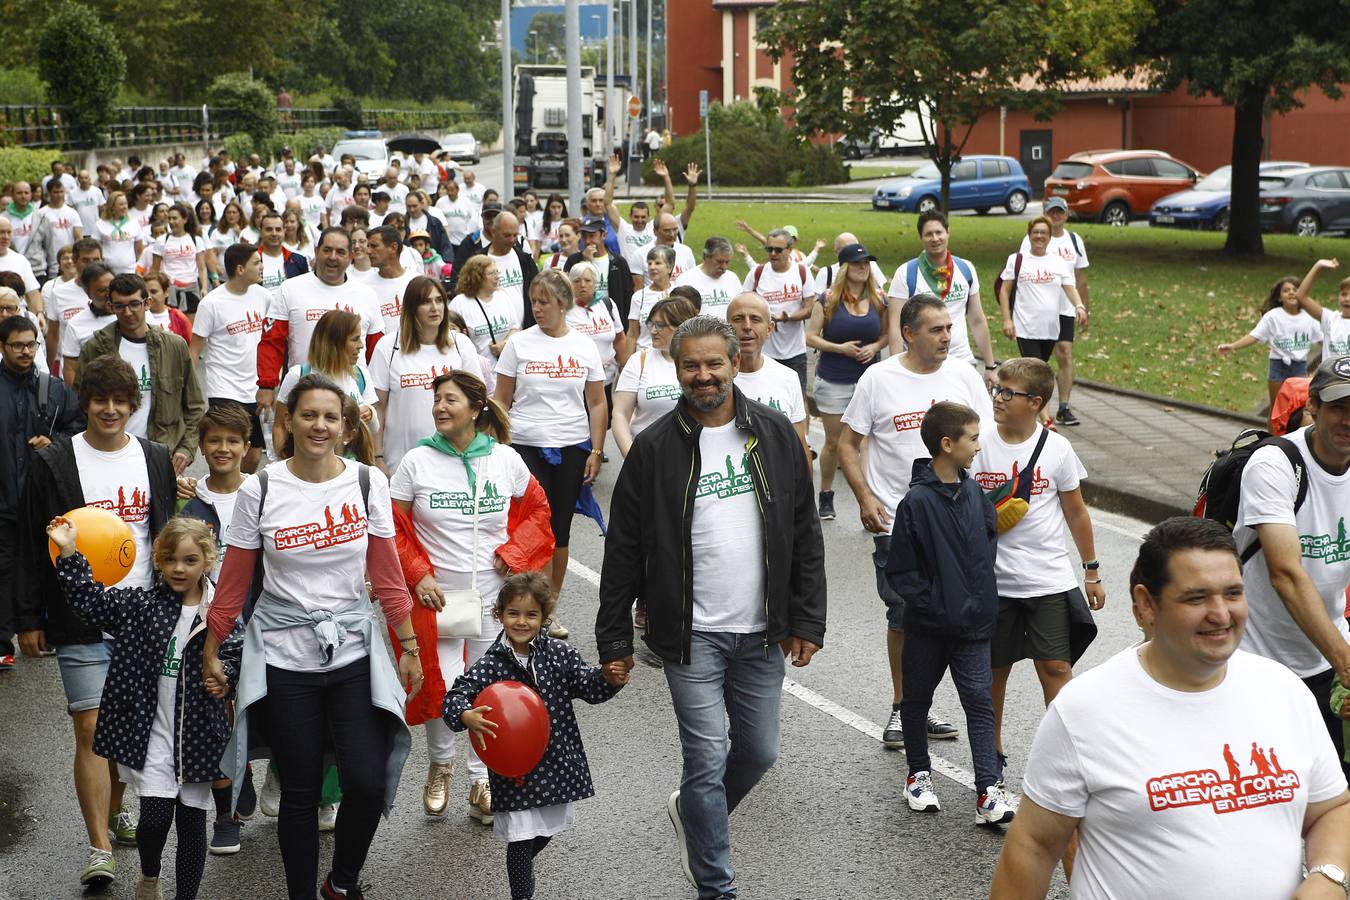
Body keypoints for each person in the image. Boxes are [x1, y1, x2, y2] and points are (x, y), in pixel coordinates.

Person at [989, 516, 1350, 900]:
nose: (1221, 614)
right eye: (1197, 597)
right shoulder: (1084, 710)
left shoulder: (1284, 691)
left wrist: (1328, 876)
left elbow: (1331, 808)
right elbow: (1033, 846)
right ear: (1145, 605)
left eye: (1232, 593)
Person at [596, 314, 826, 899]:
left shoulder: (775, 434)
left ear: (734, 363)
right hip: (689, 634)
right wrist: (615, 641)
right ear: (676, 370)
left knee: (760, 751)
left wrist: (807, 618)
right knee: (705, 758)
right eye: (691, 366)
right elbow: (622, 550)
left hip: (761, 630)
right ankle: (715, 885)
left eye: (713, 363)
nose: (704, 376)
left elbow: (804, 531)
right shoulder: (652, 450)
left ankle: (693, 813)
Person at [204, 372, 422, 900]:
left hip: (351, 652)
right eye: (308, 415)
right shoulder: (263, 487)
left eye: (330, 416)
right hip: (284, 658)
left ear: (346, 427)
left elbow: (388, 575)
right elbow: (234, 579)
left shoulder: (368, 482)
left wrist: (409, 644)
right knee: (299, 791)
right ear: (288, 422)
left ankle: (341, 882)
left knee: (366, 783)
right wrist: (213, 647)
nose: (319, 425)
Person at [16, 354, 177, 888]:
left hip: (142, 615)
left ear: (134, 404)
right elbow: (29, 543)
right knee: (89, 727)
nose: (110, 410)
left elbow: (166, 536)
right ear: (84, 402)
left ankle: (115, 810)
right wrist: (27, 616)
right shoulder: (55, 463)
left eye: (120, 400)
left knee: (125, 727)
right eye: (99, 400)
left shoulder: (153, 457)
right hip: (78, 616)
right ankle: (99, 846)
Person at [388, 373, 554, 824]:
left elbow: (539, 510)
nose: (440, 407)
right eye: (436, 400)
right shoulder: (416, 462)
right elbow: (391, 529)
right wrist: (419, 574)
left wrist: (514, 552)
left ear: (477, 407)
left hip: (494, 595)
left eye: (450, 400)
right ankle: (441, 765)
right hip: (439, 597)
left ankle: (481, 775)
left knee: (489, 685)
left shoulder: (505, 460)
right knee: (441, 681)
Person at [48, 515, 241, 900]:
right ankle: (150, 874)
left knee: (191, 825)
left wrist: (226, 676)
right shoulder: (140, 605)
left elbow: (238, 653)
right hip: (150, 734)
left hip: (200, 736)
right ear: (157, 560)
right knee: (153, 820)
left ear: (207, 559)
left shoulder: (221, 612)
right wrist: (68, 550)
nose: (179, 569)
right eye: (170, 560)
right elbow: (90, 602)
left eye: (189, 560)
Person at [839, 294, 992, 748]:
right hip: (898, 522)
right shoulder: (878, 379)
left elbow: (990, 441)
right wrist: (864, 497)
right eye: (936, 329)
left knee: (956, 617)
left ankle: (921, 708)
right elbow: (848, 444)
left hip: (960, 523)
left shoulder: (964, 375)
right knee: (905, 613)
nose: (947, 336)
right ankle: (903, 707)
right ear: (908, 333)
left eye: (949, 327)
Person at [446, 572, 625, 900]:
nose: (521, 622)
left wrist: (609, 679)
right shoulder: (491, 664)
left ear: (544, 617)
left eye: (531, 614)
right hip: (514, 773)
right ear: (499, 615)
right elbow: (457, 694)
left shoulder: (559, 654)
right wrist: (465, 715)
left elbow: (586, 684)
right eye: (513, 613)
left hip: (555, 764)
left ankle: (522, 872)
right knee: (520, 839)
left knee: (543, 831)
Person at [971, 357, 1105, 788]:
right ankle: (990, 763)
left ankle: (1067, 763)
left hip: (1047, 580)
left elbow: (1076, 513)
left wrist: (1092, 571)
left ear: (1035, 402)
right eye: (997, 389)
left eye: (1008, 393)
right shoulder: (977, 444)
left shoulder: (1057, 449)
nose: (998, 398)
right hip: (992, 583)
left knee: (1056, 671)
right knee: (993, 675)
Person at [884, 401, 1013, 823]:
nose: (979, 446)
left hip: (974, 625)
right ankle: (918, 775)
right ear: (946, 444)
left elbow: (987, 547)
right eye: (973, 438)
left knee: (979, 703)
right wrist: (934, 603)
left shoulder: (975, 493)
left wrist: (979, 598)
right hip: (929, 627)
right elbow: (901, 569)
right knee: (917, 701)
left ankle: (987, 792)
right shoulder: (916, 503)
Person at [1236, 354, 1350, 780]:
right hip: (1258, 663)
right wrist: (1346, 662)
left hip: (1326, 659)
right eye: (1339, 406)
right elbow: (1285, 573)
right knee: (1264, 796)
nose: (1348, 420)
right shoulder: (1275, 464)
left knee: (1333, 797)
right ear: (1313, 407)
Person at [493, 269, 607, 640]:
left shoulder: (583, 345)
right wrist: (497, 448)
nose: (537, 308)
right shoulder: (518, 344)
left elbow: (596, 401)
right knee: (530, 527)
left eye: (544, 302)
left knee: (559, 529)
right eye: (533, 302)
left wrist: (597, 449)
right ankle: (520, 606)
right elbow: (501, 400)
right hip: (525, 443)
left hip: (572, 445)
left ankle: (548, 608)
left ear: (563, 303)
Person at [0, 313, 83, 669]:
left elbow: (78, 428)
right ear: (2, 347)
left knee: (43, 564)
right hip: (3, 497)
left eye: (30, 344)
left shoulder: (53, 387)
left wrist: (55, 441)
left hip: (41, 500)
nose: (25, 351)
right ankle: (3, 640)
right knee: (4, 569)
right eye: (17, 345)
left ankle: (41, 629)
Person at [77, 273, 205, 474]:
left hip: (163, 456)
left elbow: (195, 406)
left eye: (134, 304)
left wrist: (187, 448)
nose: (128, 312)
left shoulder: (174, 346)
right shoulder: (95, 348)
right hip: (109, 456)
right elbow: (80, 407)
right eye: (120, 306)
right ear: (110, 307)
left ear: (148, 303)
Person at [255, 227, 383, 410]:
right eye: (327, 250)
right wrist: (266, 384)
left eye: (340, 252)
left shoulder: (367, 294)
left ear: (350, 257)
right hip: (304, 395)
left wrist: (375, 395)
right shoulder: (289, 289)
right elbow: (271, 341)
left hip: (354, 399)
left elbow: (375, 350)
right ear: (316, 251)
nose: (333, 257)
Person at [370, 276, 484, 472]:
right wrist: (377, 455)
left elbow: (478, 401)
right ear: (412, 308)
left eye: (439, 300)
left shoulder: (460, 344)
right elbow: (377, 408)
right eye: (426, 302)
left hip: (455, 460)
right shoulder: (388, 347)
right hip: (400, 461)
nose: (435, 307)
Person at [807, 242, 887, 521]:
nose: (863, 267)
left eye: (866, 263)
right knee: (834, 442)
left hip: (867, 381)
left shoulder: (879, 297)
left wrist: (875, 347)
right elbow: (811, 337)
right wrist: (840, 348)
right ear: (845, 268)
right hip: (834, 380)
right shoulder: (828, 298)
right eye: (857, 263)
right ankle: (826, 494)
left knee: (865, 442)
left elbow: (888, 334)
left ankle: (867, 501)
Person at [889, 210, 996, 380]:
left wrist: (990, 365)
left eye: (939, 232)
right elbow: (895, 325)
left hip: (961, 359)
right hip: (921, 363)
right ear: (921, 238)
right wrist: (896, 369)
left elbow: (977, 319)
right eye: (928, 234)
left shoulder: (966, 269)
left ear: (948, 233)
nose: (935, 238)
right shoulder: (906, 273)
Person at [191, 243, 269, 473]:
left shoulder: (263, 296)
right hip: (224, 389)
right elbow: (194, 349)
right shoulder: (211, 303)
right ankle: (221, 496)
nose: (262, 267)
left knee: (253, 455)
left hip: (254, 389)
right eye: (256, 263)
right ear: (240, 269)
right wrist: (189, 387)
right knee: (226, 452)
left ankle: (239, 496)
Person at [1018, 196, 1090, 426]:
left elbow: (1080, 278)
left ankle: (1064, 406)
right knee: (1040, 363)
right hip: (1039, 310)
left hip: (1066, 308)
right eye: (1052, 211)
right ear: (1046, 213)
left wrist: (1083, 307)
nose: (1056, 215)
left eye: (1060, 211)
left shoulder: (1074, 241)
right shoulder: (1033, 239)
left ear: (1067, 214)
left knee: (1066, 353)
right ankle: (1040, 410)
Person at [273, 309, 378, 458]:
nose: (361, 345)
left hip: (350, 468)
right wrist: (284, 462)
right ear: (334, 342)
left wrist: (370, 414)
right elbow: (280, 426)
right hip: (307, 468)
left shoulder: (361, 375)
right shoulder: (298, 375)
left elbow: (374, 429)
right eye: (355, 339)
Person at [726, 292, 810, 464]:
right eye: (738, 319)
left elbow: (799, 445)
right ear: (726, 327)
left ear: (769, 328)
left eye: (755, 319)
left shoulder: (788, 378)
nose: (747, 326)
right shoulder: (713, 381)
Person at [612, 296, 698, 457]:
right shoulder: (640, 360)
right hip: (646, 457)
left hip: (691, 458)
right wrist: (631, 457)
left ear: (681, 326)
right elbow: (620, 414)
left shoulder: (700, 362)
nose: (652, 330)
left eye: (660, 325)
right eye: (651, 324)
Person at [741, 227, 817, 404]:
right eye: (769, 249)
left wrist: (788, 317)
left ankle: (800, 433)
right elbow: (743, 304)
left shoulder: (801, 272)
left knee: (799, 399)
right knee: (762, 399)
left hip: (795, 352)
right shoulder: (757, 274)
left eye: (778, 250)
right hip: (763, 352)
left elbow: (809, 308)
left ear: (790, 250)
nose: (773, 254)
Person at [1220, 275, 1323, 406]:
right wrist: (1233, 346)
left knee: (1298, 406)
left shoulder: (1309, 318)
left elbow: (1323, 340)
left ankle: (1293, 427)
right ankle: (1272, 427)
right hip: (1278, 366)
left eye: (1295, 289)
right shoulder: (1273, 316)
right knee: (1277, 406)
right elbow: (1254, 336)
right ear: (1280, 298)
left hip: (1299, 367)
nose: (1291, 292)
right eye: (1286, 290)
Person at [567, 260, 629, 405]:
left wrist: (624, 369)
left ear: (595, 282)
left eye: (587, 280)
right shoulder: (565, 309)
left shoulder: (607, 304)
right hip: (579, 384)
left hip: (609, 380)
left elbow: (620, 339)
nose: (582, 285)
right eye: (577, 281)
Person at [603, 154, 655, 290]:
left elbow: (670, 205)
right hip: (627, 277)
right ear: (630, 216)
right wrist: (612, 175)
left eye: (643, 217)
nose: (640, 220)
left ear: (649, 217)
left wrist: (665, 178)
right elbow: (607, 203)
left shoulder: (653, 228)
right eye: (636, 217)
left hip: (650, 276)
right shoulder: (624, 229)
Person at [58, 262, 115, 385]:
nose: (108, 294)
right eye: (101, 290)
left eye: (111, 288)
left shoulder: (134, 313)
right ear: (88, 293)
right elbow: (70, 369)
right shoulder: (76, 324)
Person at [149, 202, 209, 318]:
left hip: (191, 288)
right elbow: (155, 270)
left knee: (191, 328)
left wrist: (204, 287)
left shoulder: (196, 240)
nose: (171, 222)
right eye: (169, 218)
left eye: (175, 218)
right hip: (169, 289)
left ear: (184, 219)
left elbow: (202, 267)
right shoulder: (162, 241)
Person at [365, 226, 417, 336]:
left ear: (393, 247)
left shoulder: (416, 281)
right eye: (368, 246)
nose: (368, 251)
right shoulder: (365, 287)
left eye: (374, 246)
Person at [28, 180, 83, 282]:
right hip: (48, 261)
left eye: (61, 192)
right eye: (56, 192)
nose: (59, 195)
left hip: (69, 258)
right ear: (49, 193)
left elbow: (79, 237)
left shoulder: (72, 212)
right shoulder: (41, 213)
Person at [673, 236, 741, 319]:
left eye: (727, 262)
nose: (724, 266)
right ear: (706, 257)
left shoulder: (732, 279)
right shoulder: (686, 280)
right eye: (719, 261)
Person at [1296, 258, 1350, 359]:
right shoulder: (1330, 318)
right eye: (1344, 294)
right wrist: (1318, 265)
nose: (1347, 299)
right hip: (1329, 375)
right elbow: (1301, 296)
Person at [627, 244, 674, 352]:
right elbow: (632, 334)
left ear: (669, 267)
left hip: (670, 357)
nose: (652, 267)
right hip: (644, 356)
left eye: (657, 263)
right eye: (649, 263)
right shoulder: (639, 296)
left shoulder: (677, 293)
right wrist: (627, 363)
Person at [257, 210, 309, 300]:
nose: (274, 233)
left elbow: (306, 292)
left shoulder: (299, 261)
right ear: (261, 231)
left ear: (284, 231)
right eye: (269, 229)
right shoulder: (250, 260)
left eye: (278, 229)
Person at [0, 217, 43, 315]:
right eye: (1, 232)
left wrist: (39, 314)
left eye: (9, 232)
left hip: (16, 318)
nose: (6, 237)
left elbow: (33, 294)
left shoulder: (20, 260)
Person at [143, 271, 193, 343]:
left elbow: (190, 345)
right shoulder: (137, 316)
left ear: (166, 292)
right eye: (145, 293)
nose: (148, 296)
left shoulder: (178, 317)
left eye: (153, 292)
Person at [435, 178, 481, 253]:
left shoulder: (465, 201)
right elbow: (436, 218)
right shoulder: (440, 202)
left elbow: (473, 217)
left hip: (464, 238)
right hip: (448, 240)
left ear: (458, 190)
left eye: (452, 190)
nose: (450, 193)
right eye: (448, 190)